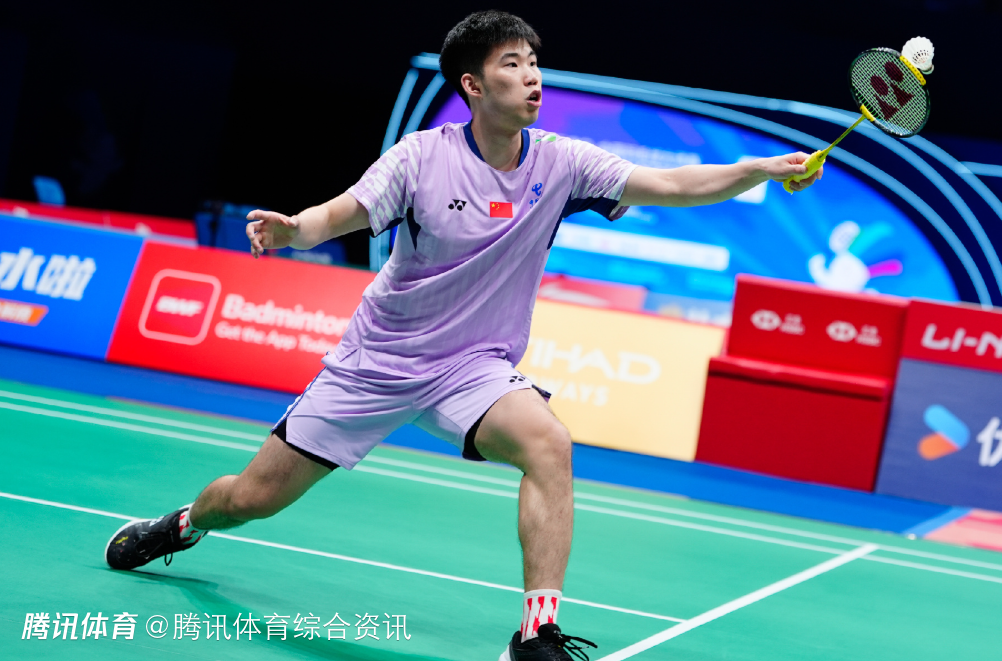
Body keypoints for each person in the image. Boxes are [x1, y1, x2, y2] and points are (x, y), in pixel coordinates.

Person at [104, 10, 821, 660]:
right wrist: (296, 229)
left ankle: (536, 635)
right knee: (251, 498)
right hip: (378, 362)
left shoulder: (563, 162)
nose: (532, 76)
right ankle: (185, 523)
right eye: (512, 64)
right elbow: (344, 212)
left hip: (472, 367)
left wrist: (757, 169)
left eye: (534, 62)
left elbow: (670, 184)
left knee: (549, 443)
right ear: (473, 86)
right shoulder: (421, 157)